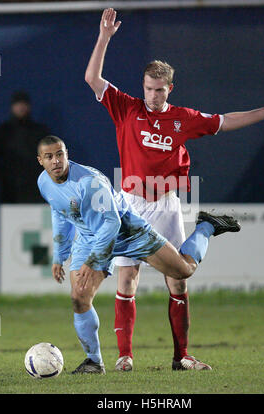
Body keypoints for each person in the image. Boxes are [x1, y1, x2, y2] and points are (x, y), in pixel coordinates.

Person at [85, 8, 264, 372]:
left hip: (165, 206)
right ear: (142, 86)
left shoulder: (182, 118)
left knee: (179, 280)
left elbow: (225, 122)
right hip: (131, 205)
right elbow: (92, 77)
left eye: (159, 89)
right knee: (127, 277)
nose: (151, 95)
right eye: (148, 88)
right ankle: (124, 356)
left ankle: (181, 357)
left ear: (170, 89)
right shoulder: (126, 108)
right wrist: (104, 38)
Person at [37, 135, 240, 374]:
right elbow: (61, 213)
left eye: (60, 154)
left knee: (184, 270)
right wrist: (59, 256)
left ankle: (207, 226)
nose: (56, 161)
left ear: (67, 153)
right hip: (90, 236)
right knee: (79, 297)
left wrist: (92, 262)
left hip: (128, 231)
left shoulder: (89, 183)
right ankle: (94, 361)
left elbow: (111, 224)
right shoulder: (44, 182)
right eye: (49, 157)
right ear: (40, 160)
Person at [0, 91, 50, 203]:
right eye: (17, 104)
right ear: (12, 107)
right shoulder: (1, 132)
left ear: (29, 107)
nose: (21, 107)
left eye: (24, 104)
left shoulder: (40, 132)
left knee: (35, 220)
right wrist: (4, 176)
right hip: (9, 190)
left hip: (36, 189)